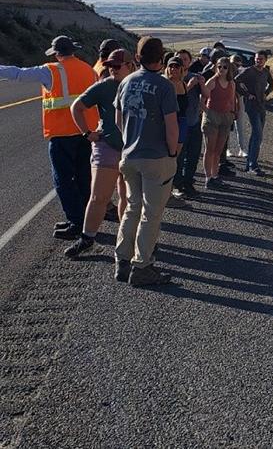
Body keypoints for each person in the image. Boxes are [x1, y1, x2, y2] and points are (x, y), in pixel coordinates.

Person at [0, 35, 99, 239]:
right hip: (86, 132)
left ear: (56, 53)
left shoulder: (52, 70)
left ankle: (76, 222)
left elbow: (18, 74)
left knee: (63, 181)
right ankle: (85, 221)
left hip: (63, 134)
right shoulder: (88, 69)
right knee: (84, 177)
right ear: (73, 50)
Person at [114, 36, 179, 287]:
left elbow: (119, 120)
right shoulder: (164, 87)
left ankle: (122, 259)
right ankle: (142, 266)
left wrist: (129, 141)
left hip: (130, 155)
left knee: (132, 207)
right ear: (161, 59)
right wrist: (172, 152)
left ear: (138, 57)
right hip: (156, 157)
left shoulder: (126, 82)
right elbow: (171, 126)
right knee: (151, 214)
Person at [65, 49, 135, 258]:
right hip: (107, 147)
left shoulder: (137, 85)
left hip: (132, 149)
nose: (112, 69)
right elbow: (76, 107)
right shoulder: (104, 87)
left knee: (127, 197)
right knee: (99, 197)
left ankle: (126, 239)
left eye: (117, 66)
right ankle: (88, 239)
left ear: (131, 65)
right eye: (110, 66)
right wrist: (87, 133)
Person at [200, 56, 237, 189]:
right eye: (219, 66)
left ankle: (215, 176)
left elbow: (232, 100)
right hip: (212, 116)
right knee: (209, 149)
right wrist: (207, 113)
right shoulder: (212, 81)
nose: (221, 69)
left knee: (218, 150)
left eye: (224, 67)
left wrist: (232, 113)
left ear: (229, 69)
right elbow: (202, 99)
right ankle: (208, 177)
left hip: (226, 117)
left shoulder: (232, 83)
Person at [172, 49, 204, 200]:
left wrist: (201, 83)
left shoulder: (194, 77)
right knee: (179, 156)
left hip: (193, 122)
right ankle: (177, 185)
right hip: (178, 124)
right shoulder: (172, 80)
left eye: (185, 59)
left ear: (190, 62)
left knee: (193, 155)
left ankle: (188, 182)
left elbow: (206, 95)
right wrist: (189, 86)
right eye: (179, 59)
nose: (182, 62)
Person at [235, 51, 273, 175]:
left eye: (261, 59)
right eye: (257, 59)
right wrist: (247, 94)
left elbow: (271, 83)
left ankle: (249, 163)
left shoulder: (266, 72)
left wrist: (266, 93)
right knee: (258, 134)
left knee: (257, 135)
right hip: (251, 106)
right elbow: (236, 81)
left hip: (262, 106)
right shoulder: (249, 71)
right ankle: (253, 165)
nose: (258, 61)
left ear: (265, 60)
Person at [229, 54, 249, 160]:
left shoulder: (242, 73)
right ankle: (227, 149)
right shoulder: (226, 73)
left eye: (238, 65)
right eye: (234, 64)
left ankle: (242, 149)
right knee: (227, 126)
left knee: (240, 125)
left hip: (239, 100)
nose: (235, 67)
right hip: (227, 100)